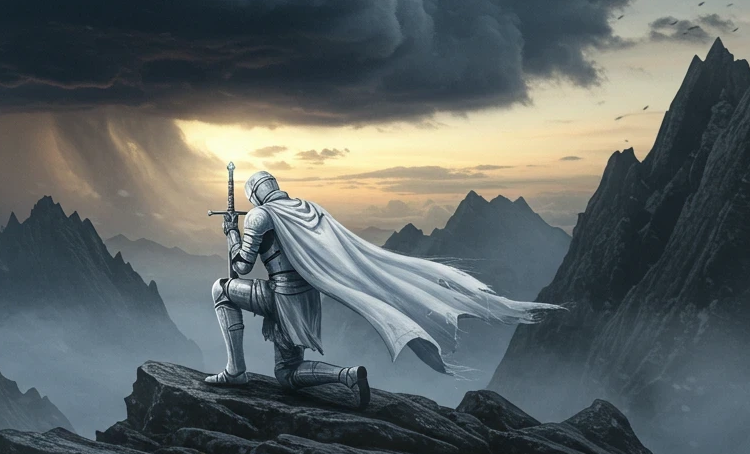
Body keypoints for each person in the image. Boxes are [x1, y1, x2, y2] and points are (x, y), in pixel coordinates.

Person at [206, 171, 560, 409]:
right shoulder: (307, 209)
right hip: (306, 298)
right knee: (286, 374)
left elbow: (240, 268)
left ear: (253, 194)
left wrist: (232, 232)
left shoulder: (259, 216)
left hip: (280, 297)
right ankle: (346, 375)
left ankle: (236, 371)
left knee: (221, 290)